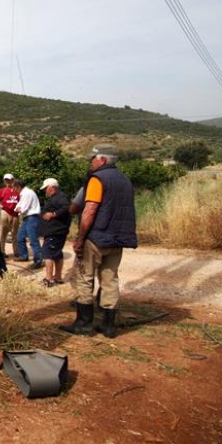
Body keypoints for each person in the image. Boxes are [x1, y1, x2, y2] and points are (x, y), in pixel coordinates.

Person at [60, 144, 138, 338]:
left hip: (96, 237)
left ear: (102, 159)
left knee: (84, 277)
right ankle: (108, 326)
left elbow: (90, 210)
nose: (91, 162)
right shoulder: (125, 180)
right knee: (110, 279)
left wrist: (80, 238)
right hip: (118, 239)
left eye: (92, 159)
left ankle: (84, 324)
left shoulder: (97, 179)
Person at [39, 178, 71, 287]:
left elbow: (66, 208)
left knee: (48, 253)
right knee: (57, 254)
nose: (44, 191)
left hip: (55, 231)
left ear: (52, 187)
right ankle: (57, 277)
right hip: (56, 231)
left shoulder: (60, 197)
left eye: (45, 188)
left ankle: (49, 279)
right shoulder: (55, 197)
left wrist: (53, 214)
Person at [13, 178, 43, 268]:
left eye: (14, 188)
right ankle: (23, 256)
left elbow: (23, 209)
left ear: (18, 186)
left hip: (32, 217)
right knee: (20, 237)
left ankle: (38, 261)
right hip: (27, 218)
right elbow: (17, 207)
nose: (14, 190)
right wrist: (19, 209)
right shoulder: (24, 193)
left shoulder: (27, 193)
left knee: (33, 239)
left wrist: (19, 209)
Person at [0, 173, 21, 256]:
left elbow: (21, 201)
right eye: (6, 180)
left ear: (13, 180)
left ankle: (16, 251)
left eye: (10, 180)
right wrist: (0, 207)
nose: (8, 181)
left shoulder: (17, 191)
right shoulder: (1, 191)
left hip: (15, 213)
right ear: (4, 181)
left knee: (15, 234)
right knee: (2, 233)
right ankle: (1, 251)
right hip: (4, 212)